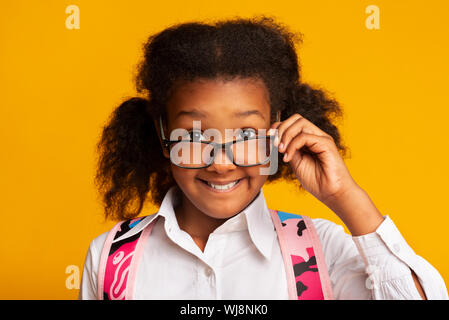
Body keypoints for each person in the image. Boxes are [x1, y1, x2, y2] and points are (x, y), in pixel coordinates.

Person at [79, 16, 448, 300]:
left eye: (246, 136)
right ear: (162, 135)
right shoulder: (112, 259)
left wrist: (346, 196)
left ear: (277, 131)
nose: (221, 163)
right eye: (193, 136)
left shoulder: (322, 249)